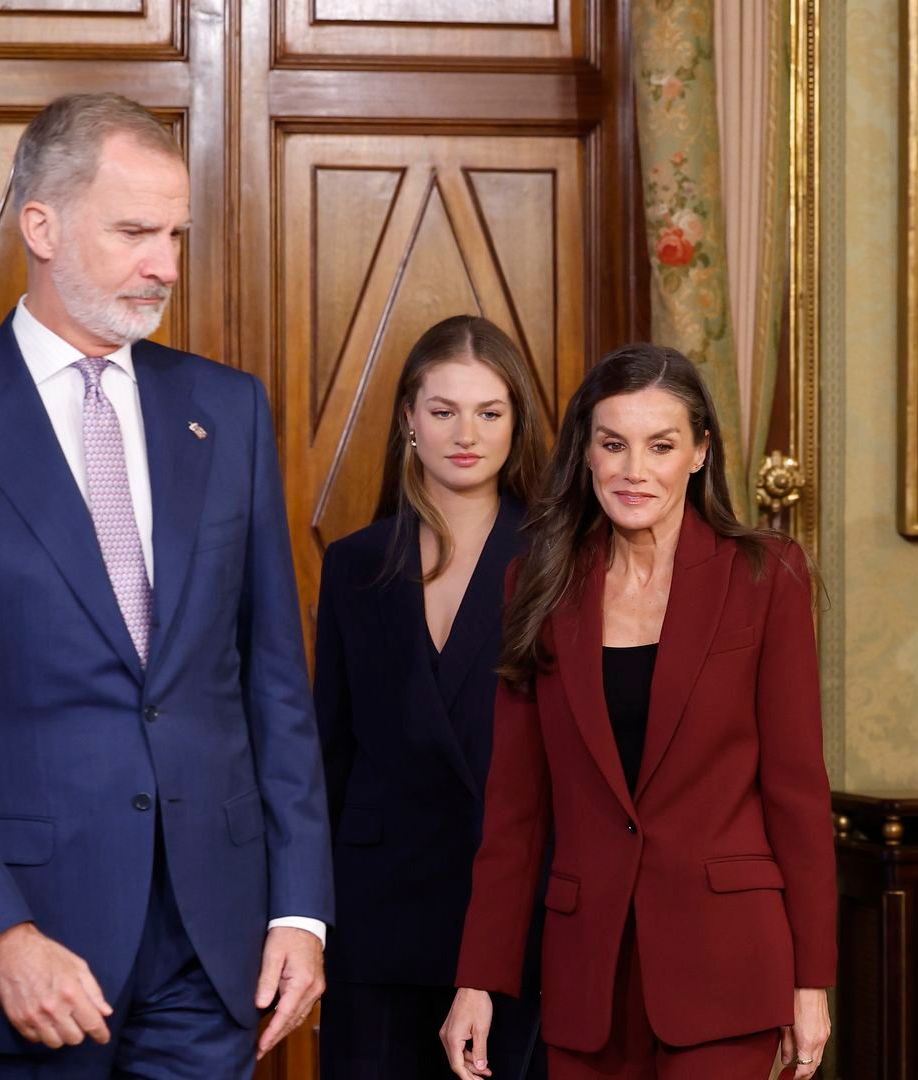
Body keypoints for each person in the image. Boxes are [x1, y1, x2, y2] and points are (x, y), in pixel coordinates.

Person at [0, 92, 331, 1077]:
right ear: (42, 226)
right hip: (28, 960)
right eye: (136, 232)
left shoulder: (227, 412)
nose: (167, 266)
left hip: (214, 951)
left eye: (177, 235)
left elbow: (272, 677)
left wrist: (300, 907)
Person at [441, 345, 835, 1080]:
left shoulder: (764, 576)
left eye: (661, 446)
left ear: (699, 453)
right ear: (585, 453)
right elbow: (516, 809)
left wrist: (811, 980)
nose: (633, 470)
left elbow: (796, 792)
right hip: (588, 974)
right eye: (613, 444)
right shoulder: (540, 583)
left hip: (728, 970)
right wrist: (479, 978)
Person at [315, 315, 550, 1080]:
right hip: (379, 917)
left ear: (516, 423)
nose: (466, 433)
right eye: (443, 410)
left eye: (489, 412)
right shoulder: (354, 565)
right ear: (409, 420)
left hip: (517, 915)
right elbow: (329, 752)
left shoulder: (561, 560)